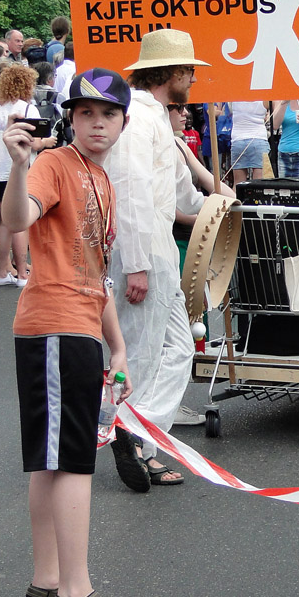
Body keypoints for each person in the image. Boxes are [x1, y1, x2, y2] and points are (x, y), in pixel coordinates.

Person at [1, 67, 143, 597]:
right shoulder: (55, 163)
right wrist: (15, 165)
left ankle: (47, 582)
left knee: (51, 460)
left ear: (122, 122)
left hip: (76, 326)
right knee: (72, 462)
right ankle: (75, 594)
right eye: (86, 113)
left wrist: (118, 345)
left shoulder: (101, 180)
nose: (97, 123)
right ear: (71, 118)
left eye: (108, 114)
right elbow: (17, 218)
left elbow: (95, 275)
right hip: (54, 326)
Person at [105, 29, 211, 492]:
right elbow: (129, 195)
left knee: (179, 349)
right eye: (189, 70)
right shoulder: (137, 119)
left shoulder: (154, 120)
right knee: (141, 352)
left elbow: (181, 195)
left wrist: (222, 202)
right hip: (143, 250)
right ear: (170, 73)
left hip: (157, 249)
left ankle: (138, 433)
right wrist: (135, 264)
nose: (192, 77)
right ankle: (129, 430)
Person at [0, 64, 57, 286]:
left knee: (1, 222)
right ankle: (22, 273)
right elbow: (33, 142)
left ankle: (1, 271)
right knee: (19, 222)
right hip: (17, 169)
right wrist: (46, 142)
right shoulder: (27, 110)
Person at [227, 100, 269, 184]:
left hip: (238, 139)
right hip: (259, 139)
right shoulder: (264, 95)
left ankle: (236, 197)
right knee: (259, 183)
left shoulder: (234, 95)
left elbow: (230, 109)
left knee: (238, 183)